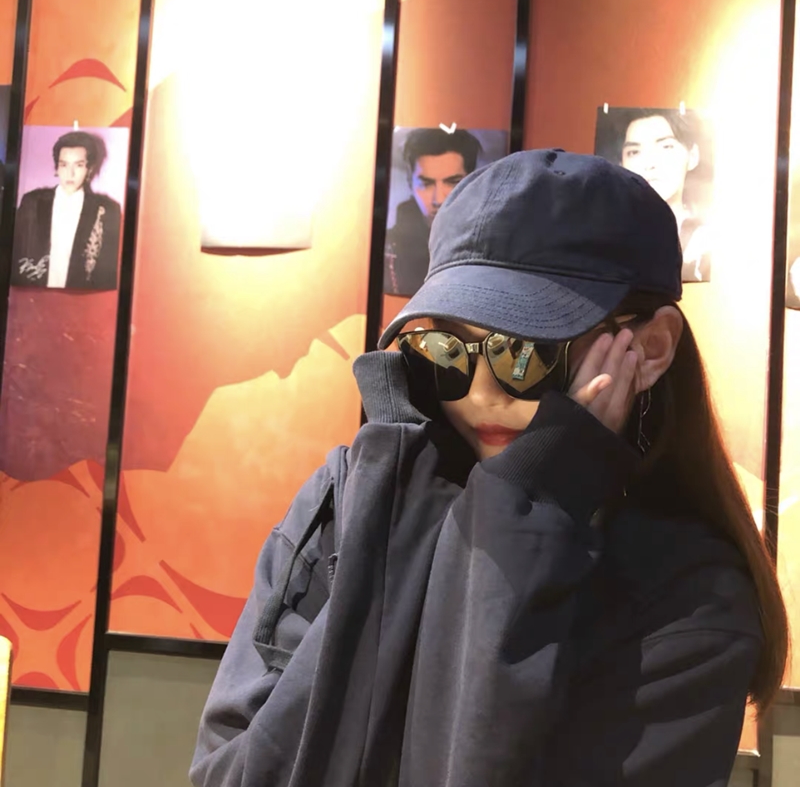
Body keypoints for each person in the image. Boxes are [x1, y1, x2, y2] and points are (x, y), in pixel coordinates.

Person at [191, 150, 787, 786]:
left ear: (652, 346)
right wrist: (390, 525)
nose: (479, 393)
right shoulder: (355, 499)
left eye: (523, 353)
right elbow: (231, 772)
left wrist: (526, 514)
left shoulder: (692, 595)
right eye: (446, 349)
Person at [11, 130, 121, 290]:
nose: (70, 173)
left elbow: (107, 273)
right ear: (57, 167)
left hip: (81, 299)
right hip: (33, 296)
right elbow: (14, 256)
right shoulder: (32, 202)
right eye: (64, 165)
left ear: (89, 169)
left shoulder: (107, 210)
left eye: (79, 165)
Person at [615, 109, 712, 283]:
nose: (649, 163)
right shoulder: (609, 239)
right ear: (621, 165)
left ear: (693, 155)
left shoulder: (707, 241)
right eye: (634, 152)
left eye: (666, 147)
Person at [384, 127, 481, 296]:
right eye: (426, 184)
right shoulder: (388, 251)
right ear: (410, 183)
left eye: (453, 182)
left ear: (471, 183)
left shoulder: (487, 249)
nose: (438, 199)